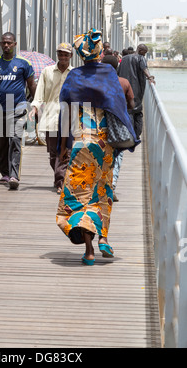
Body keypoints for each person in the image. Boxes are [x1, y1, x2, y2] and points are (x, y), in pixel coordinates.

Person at [56, 29, 139, 266]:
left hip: (82, 143)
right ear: (100, 52)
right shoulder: (110, 74)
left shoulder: (74, 77)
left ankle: (90, 250)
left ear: (80, 55)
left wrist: (63, 145)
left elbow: (66, 113)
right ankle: (104, 238)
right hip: (105, 146)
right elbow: (120, 106)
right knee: (102, 191)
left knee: (81, 195)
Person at [0, 32, 36, 190]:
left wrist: (37, 104)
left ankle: (14, 175)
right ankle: (4, 173)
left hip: (18, 107)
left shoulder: (23, 63)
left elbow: (31, 84)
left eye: (9, 43)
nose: (6, 45)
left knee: (14, 140)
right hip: (0, 108)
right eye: (4, 43)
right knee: (2, 143)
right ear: (0, 44)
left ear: (15, 44)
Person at [29, 43, 74, 194]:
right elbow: (40, 91)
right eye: (60, 54)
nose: (63, 57)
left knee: (65, 151)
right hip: (50, 116)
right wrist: (35, 107)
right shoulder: (47, 72)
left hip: (68, 117)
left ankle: (60, 182)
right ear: (57, 55)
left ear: (71, 56)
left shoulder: (74, 73)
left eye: (66, 54)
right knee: (53, 153)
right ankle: (60, 177)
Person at [102, 54, 135, 201]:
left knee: (101, 156)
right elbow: (131, 104)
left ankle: (100, 185)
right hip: (119, 123)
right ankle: (112, 185)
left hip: (100, 123)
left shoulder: (97, 82)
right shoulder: (124, 82)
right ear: (117, 66)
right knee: (118, 154)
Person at [118, 44, 155, 139]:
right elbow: (144, 69)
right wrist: (150, 77)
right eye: (144, 52)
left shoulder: (124, 59)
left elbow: (118, 72)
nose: (144, 54)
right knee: (137, 112)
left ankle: (127, 134)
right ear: (140, 50)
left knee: (127, 111)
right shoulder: (140, 58)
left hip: (124, 89)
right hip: (136, 90)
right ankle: (136, 135)